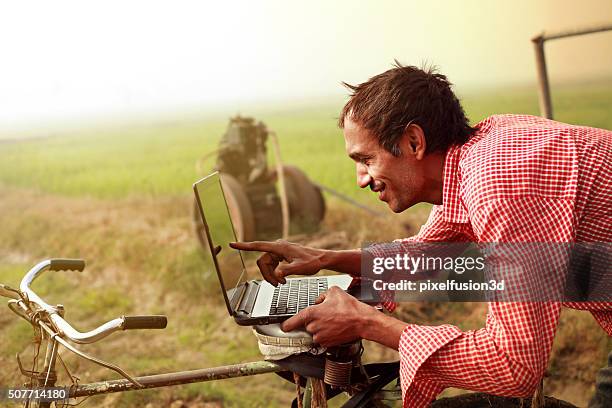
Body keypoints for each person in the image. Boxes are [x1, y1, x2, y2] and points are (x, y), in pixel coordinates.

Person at [230, 63, 611, 407]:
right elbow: (422, 256)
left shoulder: (502, 183)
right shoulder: (477, 155)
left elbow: (513, 365)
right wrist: (325, 258)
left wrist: (368, 323)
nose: (360, 180)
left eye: (366, 160)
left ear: (414, 142)